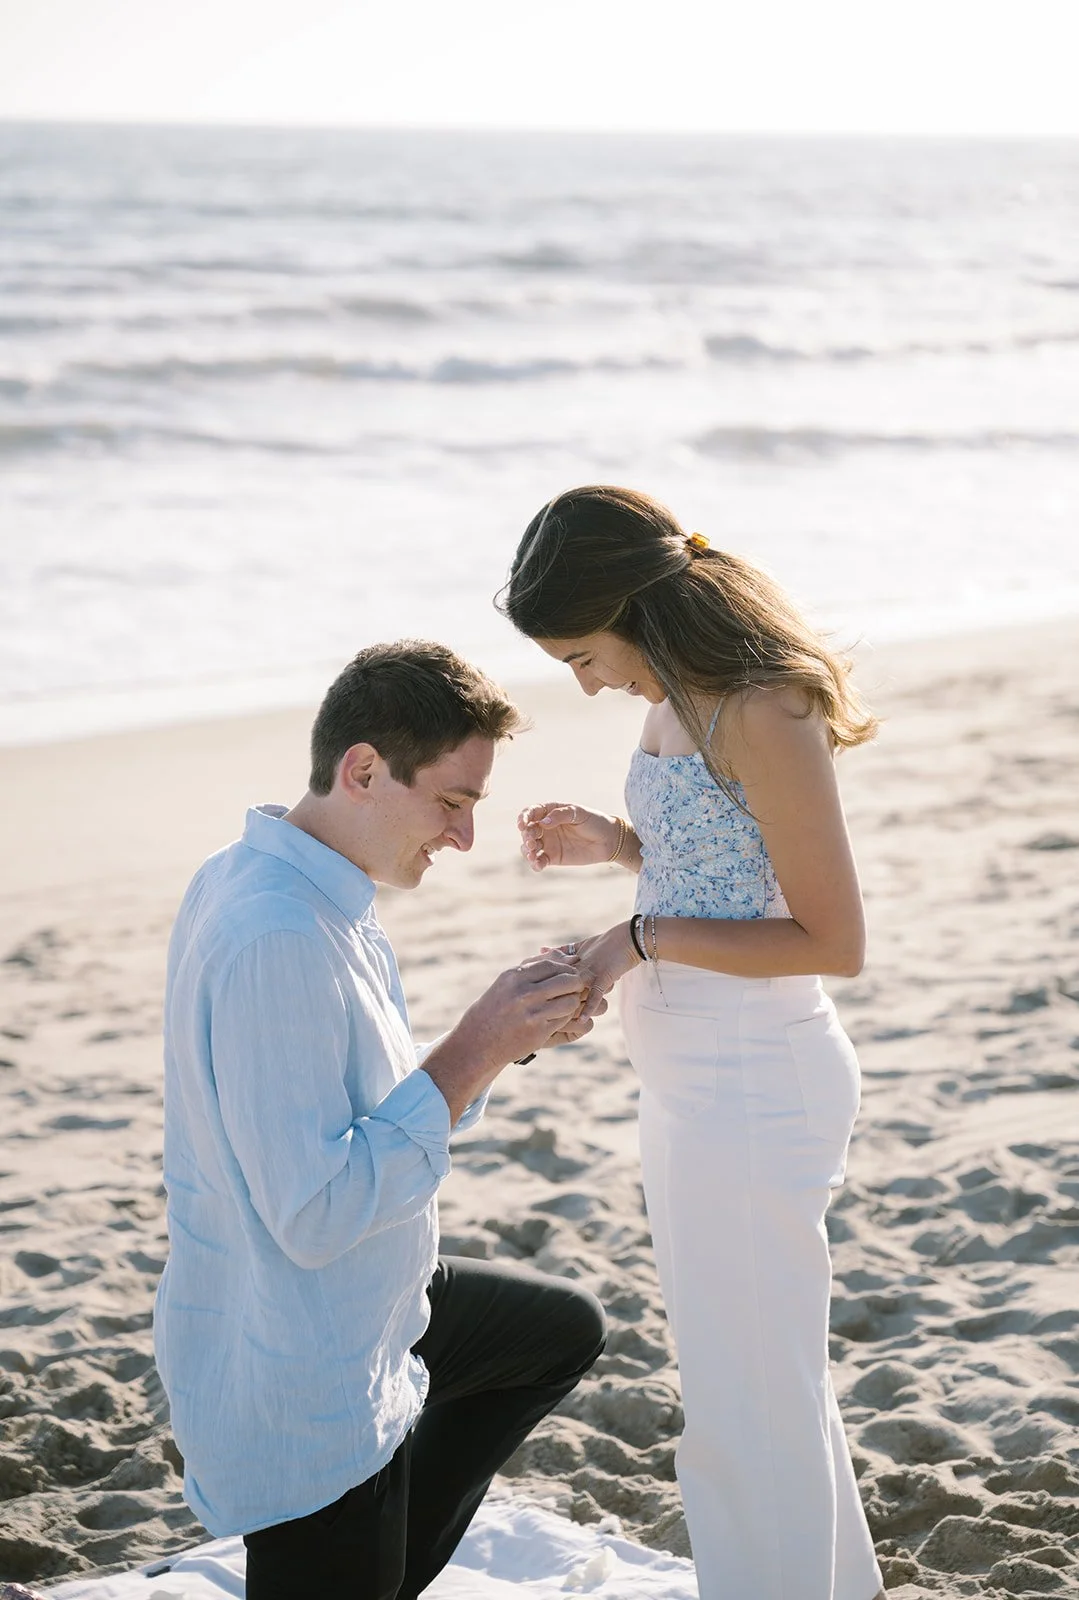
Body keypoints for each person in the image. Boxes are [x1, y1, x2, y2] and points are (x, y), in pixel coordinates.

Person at [153, 639, 607, 1600]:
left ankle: (387, 1562)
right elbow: (315, 1216)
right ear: (363, 769)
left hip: (372, 1302)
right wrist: (476, 1045)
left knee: (558, 1330)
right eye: (452, 802)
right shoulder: (278, 935)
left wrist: (506, 1039)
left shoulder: (289, 884)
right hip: (302, 1371)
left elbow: (369, 1111)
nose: (464, 838)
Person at [499, 487, 885, 1600]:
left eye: (581, 653)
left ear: (635, 607)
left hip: (755, 1086)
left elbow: (829, 937)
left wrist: (635, 935)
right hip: (689, 1088)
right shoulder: (670, 698)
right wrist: (617, 843)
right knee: (753, 1386)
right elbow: (726, 864)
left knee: (742, 1403)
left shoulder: (763, 706)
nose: (582, 682)